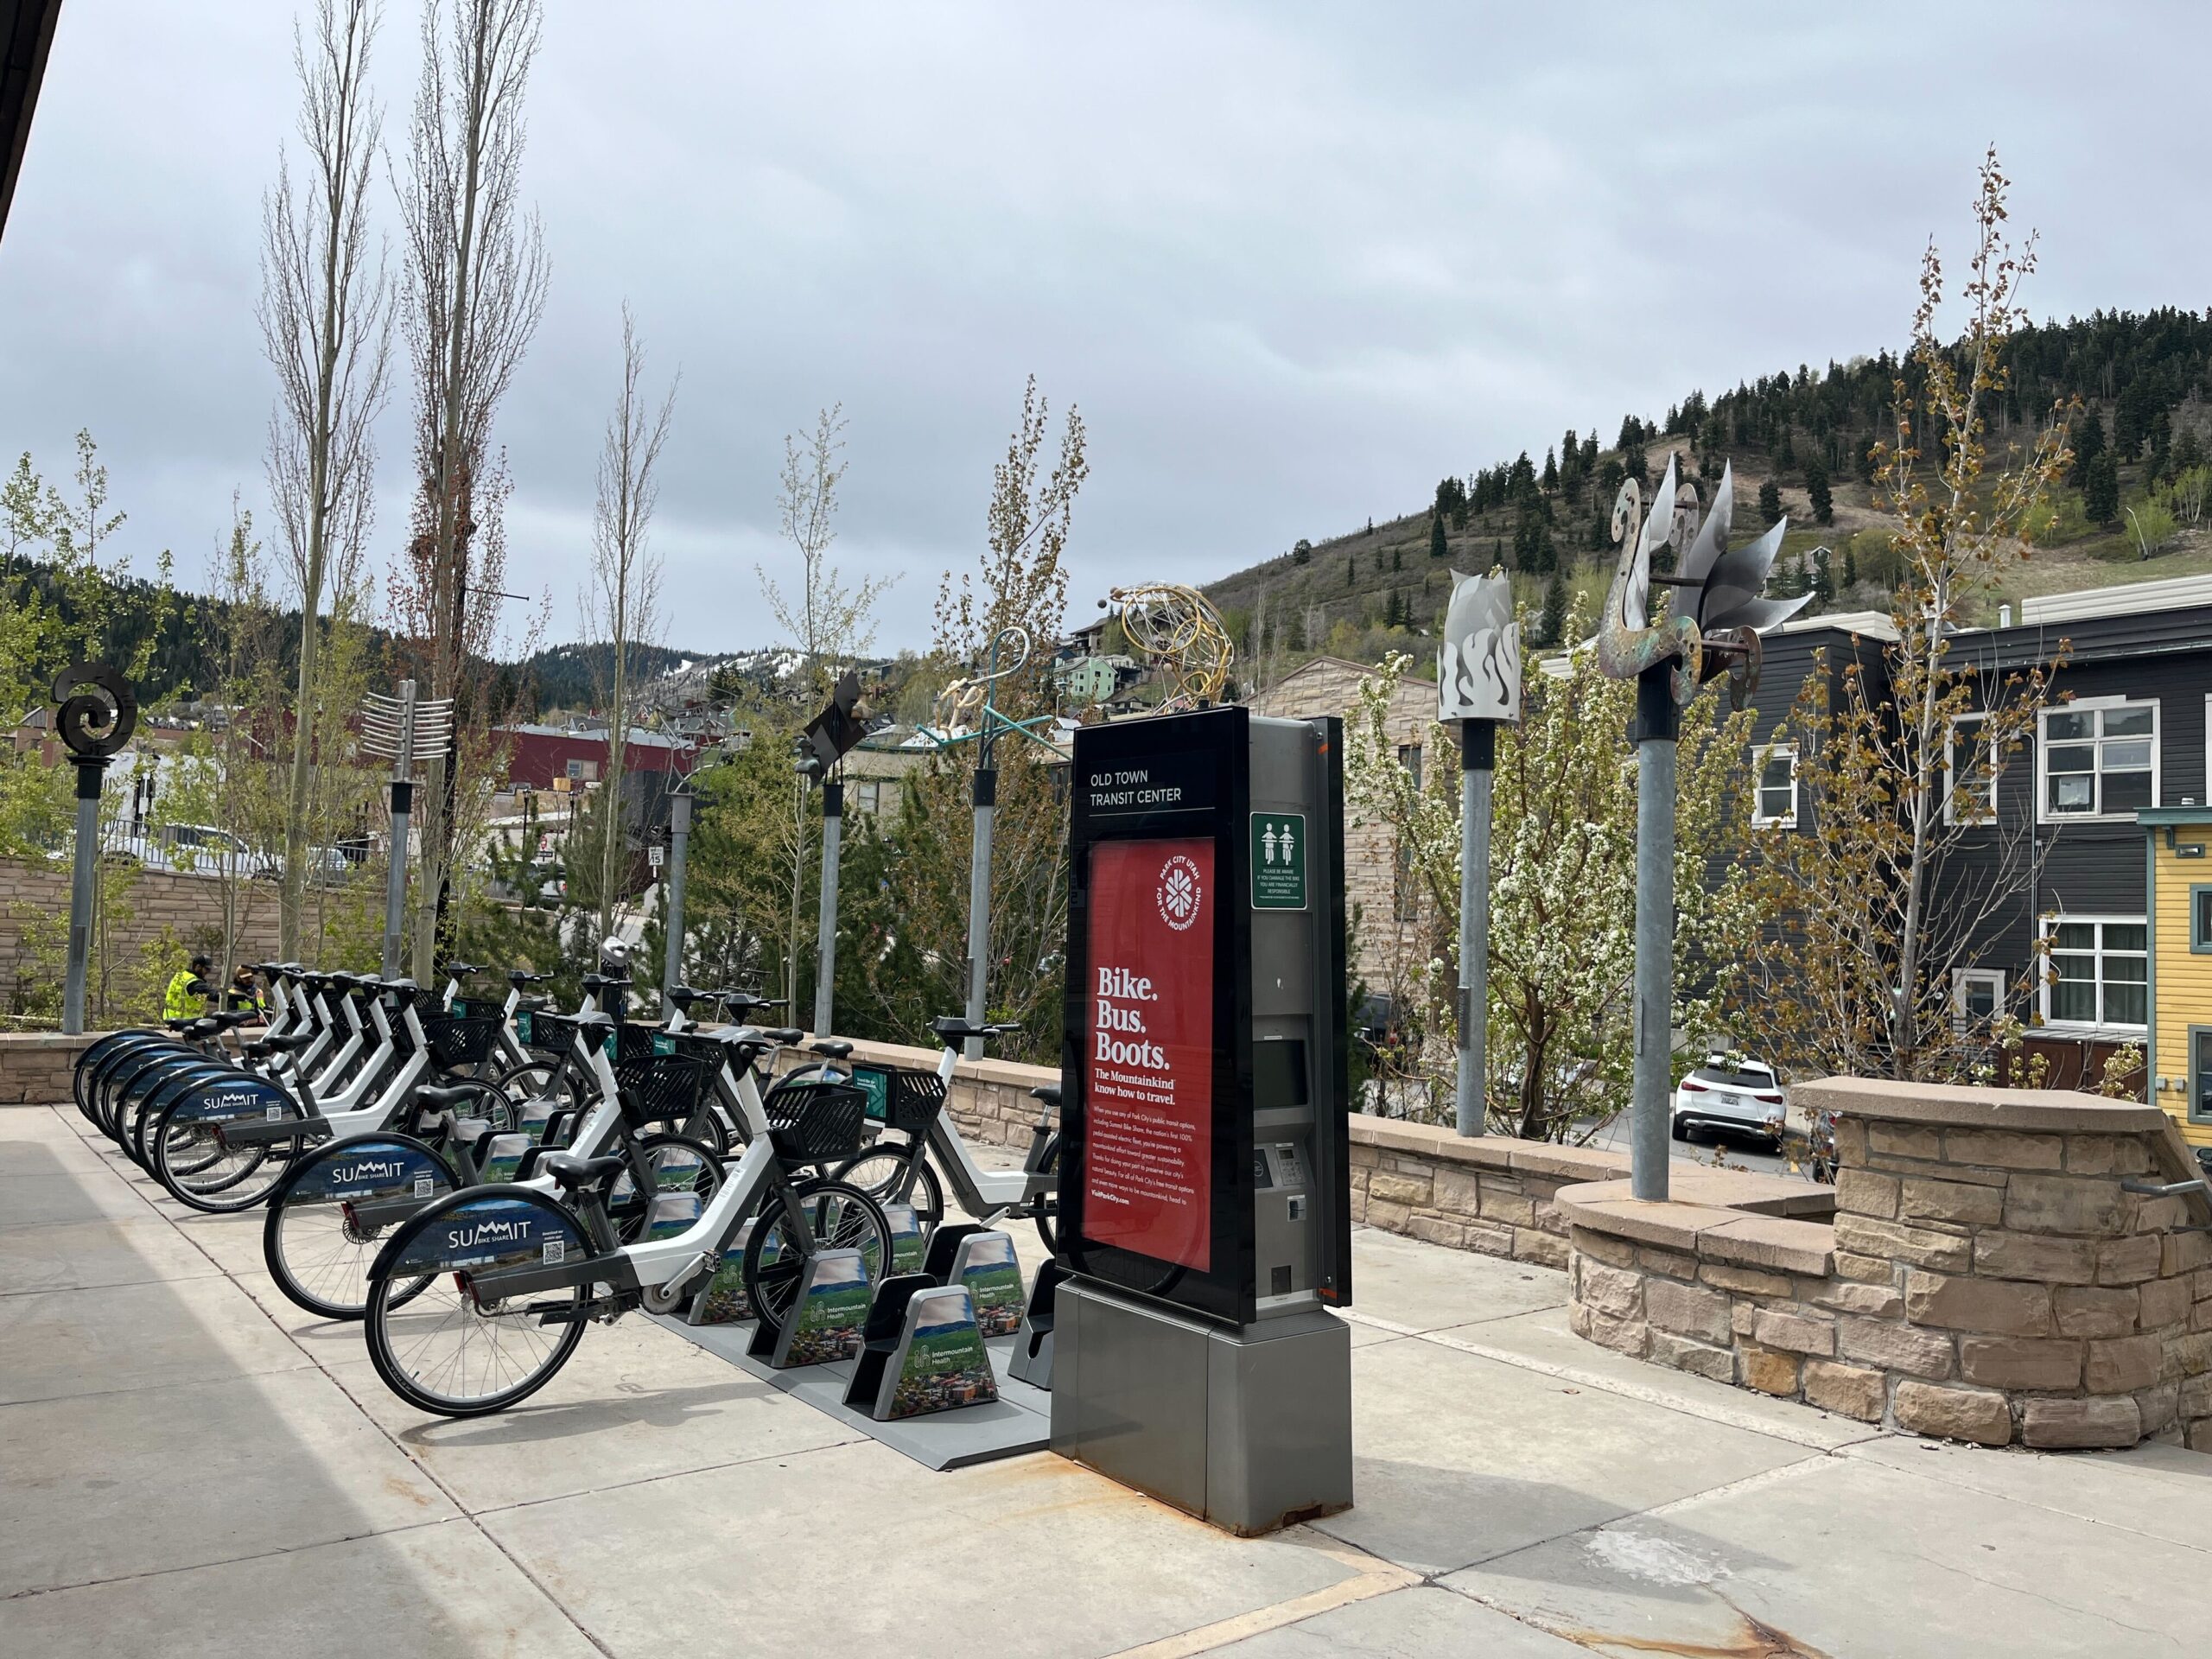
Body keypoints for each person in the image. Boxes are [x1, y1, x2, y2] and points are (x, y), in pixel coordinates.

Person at [164, 954, 213, 1021]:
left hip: (173, 1019)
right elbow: (212, 993)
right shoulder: (193, 982)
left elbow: (191, 998)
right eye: (207, 969)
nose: (209, 972)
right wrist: (230, 994)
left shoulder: (182, 977)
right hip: (185, 1021)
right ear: (198, 967)